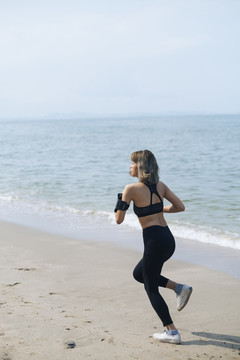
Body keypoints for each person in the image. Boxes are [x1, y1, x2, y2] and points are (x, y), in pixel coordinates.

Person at [114, 150, 192, 344]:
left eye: (132, 163)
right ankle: (179, 288)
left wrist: (119, 203)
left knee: (150, 287)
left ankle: (172, 332)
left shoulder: (130, 189)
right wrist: (159, 208)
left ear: (140, 166)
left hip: (153, 241)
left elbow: (118, 219)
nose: (129, 166)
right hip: (167, 240)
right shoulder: (161, 186)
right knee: (139, 274)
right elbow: (180, 206)